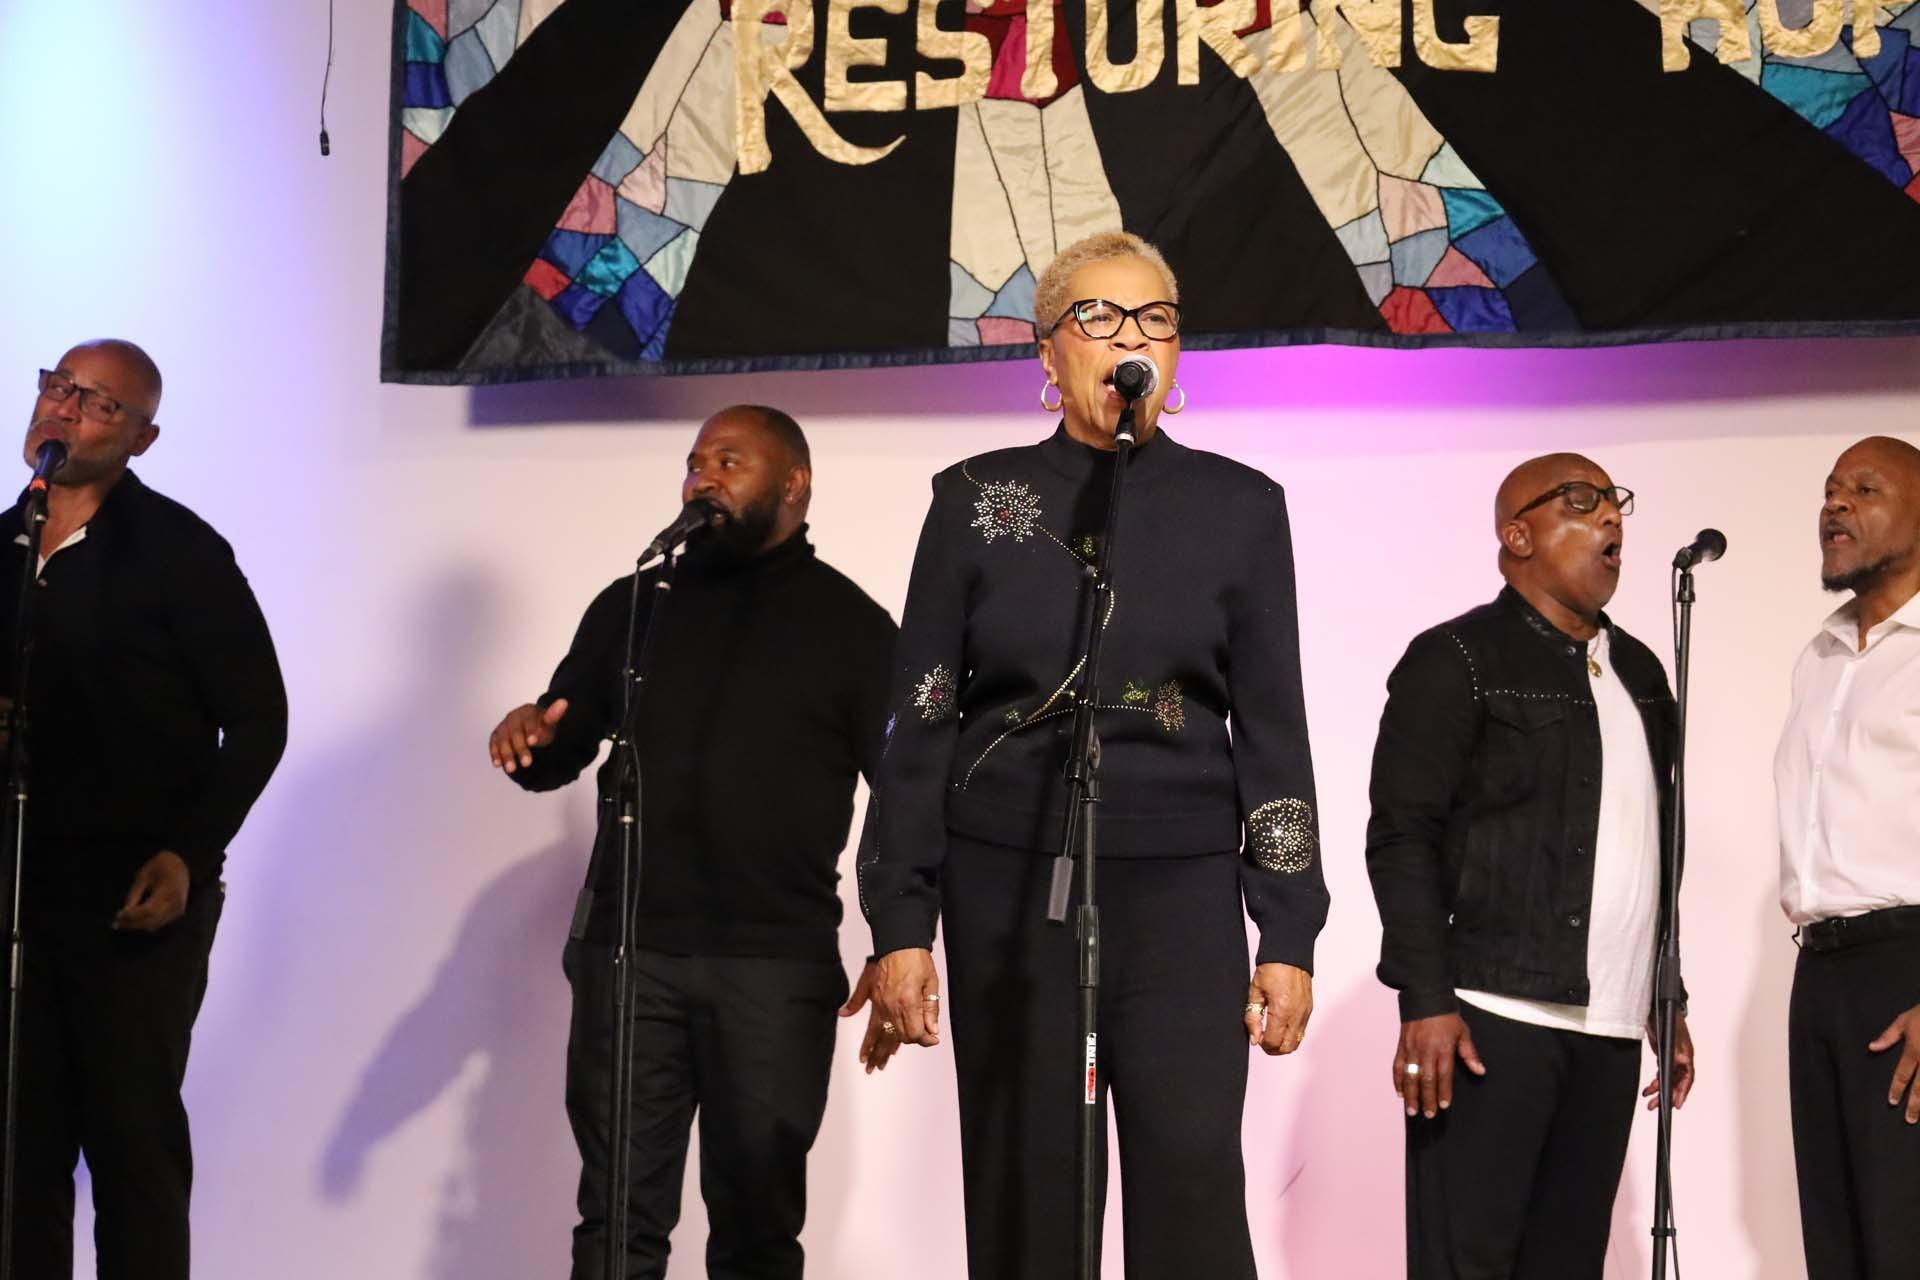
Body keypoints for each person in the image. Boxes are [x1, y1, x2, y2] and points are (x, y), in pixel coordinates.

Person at [849, 230, 1326, 1278]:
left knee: (1193, 1172)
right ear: (1049, 354)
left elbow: (1275, 731)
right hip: (1009, 882)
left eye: (1154, 318)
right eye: (1099, 318)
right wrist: (901, 919)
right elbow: (920, 718)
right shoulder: (976, 499)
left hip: (1183, 890)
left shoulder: (1240, 508)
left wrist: (1287, 929)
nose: (1130, 339)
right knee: (1030, 1181)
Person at [487, 405, 896, 1280]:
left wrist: (902, 935)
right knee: (616, 1222)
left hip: (773, 970)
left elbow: (906, 793)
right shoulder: (636, 606)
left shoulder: (853, 628)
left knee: (756, 1229)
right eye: (695, 460)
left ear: (794, 485)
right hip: (631, 959)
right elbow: (560, 744)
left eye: (729, 460)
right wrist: (529, 737)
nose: (702, 476)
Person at [1364, 452, 1698, 1279]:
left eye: (1616, 502)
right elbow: (1401, 835)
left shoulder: (1645, 673)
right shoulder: (1457, 658)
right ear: (1518, 534)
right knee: (1468, 1262)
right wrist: (1426, 998)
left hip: (1611, 1031)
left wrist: (1667, 993)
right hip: (1488, 1022)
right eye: (1581, 503)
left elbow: (1655, 845)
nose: (1612, 519)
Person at [0, 341, 288, 1279]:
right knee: (17, 1153)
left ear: (142, 437)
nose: (64, 409)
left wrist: (189, 853)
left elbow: (257, 720)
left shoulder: (179, 553)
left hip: (134, 899)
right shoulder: (3, 550)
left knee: (130, 1147)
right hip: (16, 898)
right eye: (57, 386)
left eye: (96, 402)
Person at [1775, 434, 1920, 1280]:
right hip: (1821, 975)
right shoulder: (1821, 657)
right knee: (1837, 1247)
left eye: (1864, 489)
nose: (1836, 504)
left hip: (1906, 968)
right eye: (1830, 490)